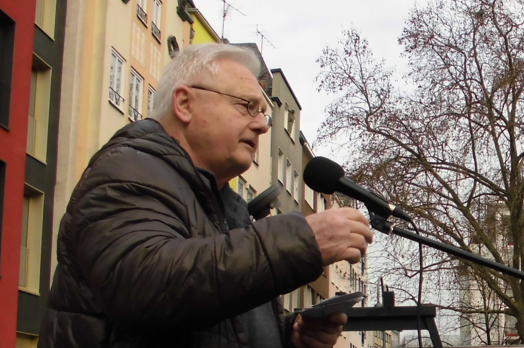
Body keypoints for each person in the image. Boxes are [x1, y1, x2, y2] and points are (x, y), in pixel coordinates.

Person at [39, 43, 373, 348]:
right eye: (247, 106)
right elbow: (145, 285)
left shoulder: (229, 208)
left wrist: (289, 335)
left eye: (263, 113)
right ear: (184, 104)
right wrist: (300, 240)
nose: (262, 125)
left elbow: (213, 317)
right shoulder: (125, 171)